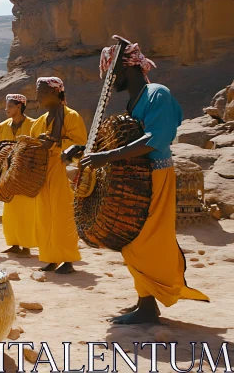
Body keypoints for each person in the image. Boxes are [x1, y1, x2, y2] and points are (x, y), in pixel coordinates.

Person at [78, 37, 209, 324]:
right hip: (139, 177)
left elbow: (155, 138)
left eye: (113, 74)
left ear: (128, 69)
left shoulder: (156, 94)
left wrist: (109, 156)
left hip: (158, 173)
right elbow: (127, 137)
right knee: (132, 237)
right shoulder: (134, 101)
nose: (111, 81)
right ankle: (144, 301)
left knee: (146, 239)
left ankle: (150, 306)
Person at [31, 77, 86, 274]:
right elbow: (33, 144)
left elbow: (79, 144)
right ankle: (51, 258)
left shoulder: (71, 116)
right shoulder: (39, 122)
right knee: (44, 217)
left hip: (62, 171)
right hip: (43, 174)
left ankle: (68, 259)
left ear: (55, 93)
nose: (39, 97)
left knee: (64, 216)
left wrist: (55, 144)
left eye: (43, 92)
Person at [0, 94, 38, 256]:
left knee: (26, 210)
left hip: (26, 174)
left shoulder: (34, 125)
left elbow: (38, 147)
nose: (6, 109)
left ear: (19, 106)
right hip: (6, 174)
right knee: (9, 211)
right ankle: (14, 244)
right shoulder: (2, 126)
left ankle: (26, 246)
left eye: (9, 106)